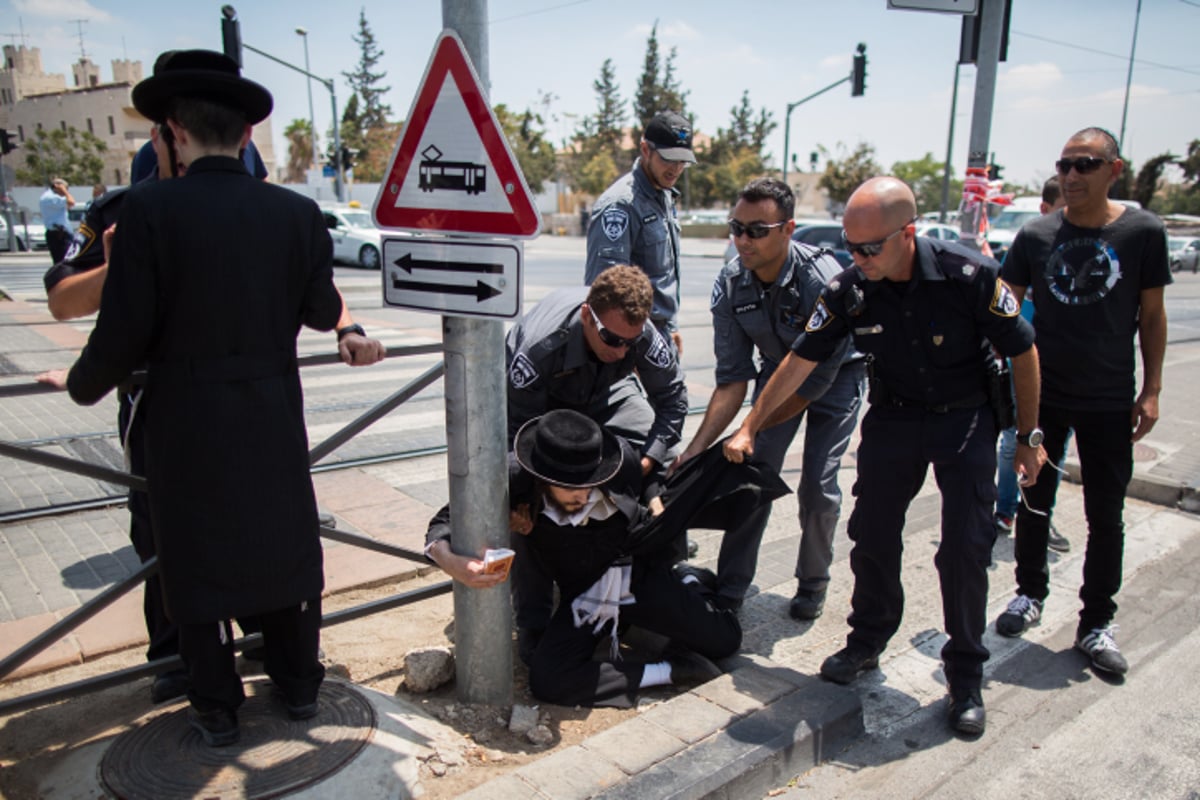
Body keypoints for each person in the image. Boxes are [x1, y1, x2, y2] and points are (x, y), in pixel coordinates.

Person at [56, 49, 371, 747]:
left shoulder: (148, 210)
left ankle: (217, 707)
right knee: (283, 545)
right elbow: (322, 312)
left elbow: (124, 329)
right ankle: (296, 687)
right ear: (248, 133)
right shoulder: (295, 213)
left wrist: (81, 386)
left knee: (194, 558)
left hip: (184, 418)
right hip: (270, 412)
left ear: (174, 130)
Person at [724, 176, 1044, 736]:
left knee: (966, 548)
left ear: (907, 233)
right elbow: (800, 360)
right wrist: (750, 425)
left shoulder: (968, 275)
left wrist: (1028, 437)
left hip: (965, 417)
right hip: (895, 416)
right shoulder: (850, 289)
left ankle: (965, 675)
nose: (859, 257)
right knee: (871, 534)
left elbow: (1023, 350)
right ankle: (867, 640)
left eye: (871, 247)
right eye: (851, 245)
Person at [425, 410, 788, 708]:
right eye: (571, 485)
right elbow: (445, 522)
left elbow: (648, 480)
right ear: (541, 476)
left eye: (591, 481)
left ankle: (688, 580)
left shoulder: (621, 462)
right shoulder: (512, 479)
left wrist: (656, 500)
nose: (583, 494)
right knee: (549, 680)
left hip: (634, 572)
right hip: (584, 594)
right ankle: (673, 669)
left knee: (725, 642)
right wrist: (451, 560)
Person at [994, 127, 1170, 677]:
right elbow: (1002, 305)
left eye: (1086, 164)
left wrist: (1153, 389)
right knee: (1033, 503)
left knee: (1105, 515)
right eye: (1065, 165)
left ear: (1113, 169)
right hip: (1043, 398)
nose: (1072, 175)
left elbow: (1153, 316)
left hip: (1110, 397)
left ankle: (1096, 621)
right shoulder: (1036, 235)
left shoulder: (1143, 231)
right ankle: (1029, 593)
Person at [673, 178, 866, 616]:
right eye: (736, 228)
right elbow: (733, 378)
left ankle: (813, 583)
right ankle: (731, 590)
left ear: (788, 229)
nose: (743, 240)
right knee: (751, 476)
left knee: (817, 484)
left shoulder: (823, 281)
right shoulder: (731, 282)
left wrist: (750, 426)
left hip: (835, 377)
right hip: (774, 374)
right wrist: (697, 449)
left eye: (756, 230)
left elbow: (813, 382)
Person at [505, 265, 688, 659]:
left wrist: (645, 465)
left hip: (607, 391)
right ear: (588, 315)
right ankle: (533, 622)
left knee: (659, 458)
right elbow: (517, 438)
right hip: (542, 409)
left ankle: (661, 575)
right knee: (529, 507)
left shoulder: (636, 336)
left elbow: (673, 401)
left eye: (630, 342)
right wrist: (523, 497)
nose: (621, 350)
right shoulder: (540, 349)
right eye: (611, 339)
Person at [994, 176, 1071, 553]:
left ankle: (1039, 515)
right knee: (1015, 437)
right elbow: (1007, 310)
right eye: (1064, 206)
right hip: (1024, 359)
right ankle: (1006, 511)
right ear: (1046, 209)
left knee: (1056, 445)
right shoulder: (1031, 244)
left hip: (1069, 371)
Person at [585, 111, 695, 355]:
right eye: (668, 159)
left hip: (661, 335)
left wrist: (671, 327)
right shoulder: (620, 205)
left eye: (682, 161)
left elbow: (665, 276)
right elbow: (604, 293)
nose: (676, 169)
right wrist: (623, 349)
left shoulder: (664, 196)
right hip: (632, 342)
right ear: (645, 150)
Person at [39, 178, 76, 263]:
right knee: (64, 262)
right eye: (65, 189)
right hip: (58, 235)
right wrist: (64, 191)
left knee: (68, 261)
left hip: (61, 234)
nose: (65, 192)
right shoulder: (50, 198)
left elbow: (69, 206)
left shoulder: (54, 198)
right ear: (56, 186)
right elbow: (71, 202)